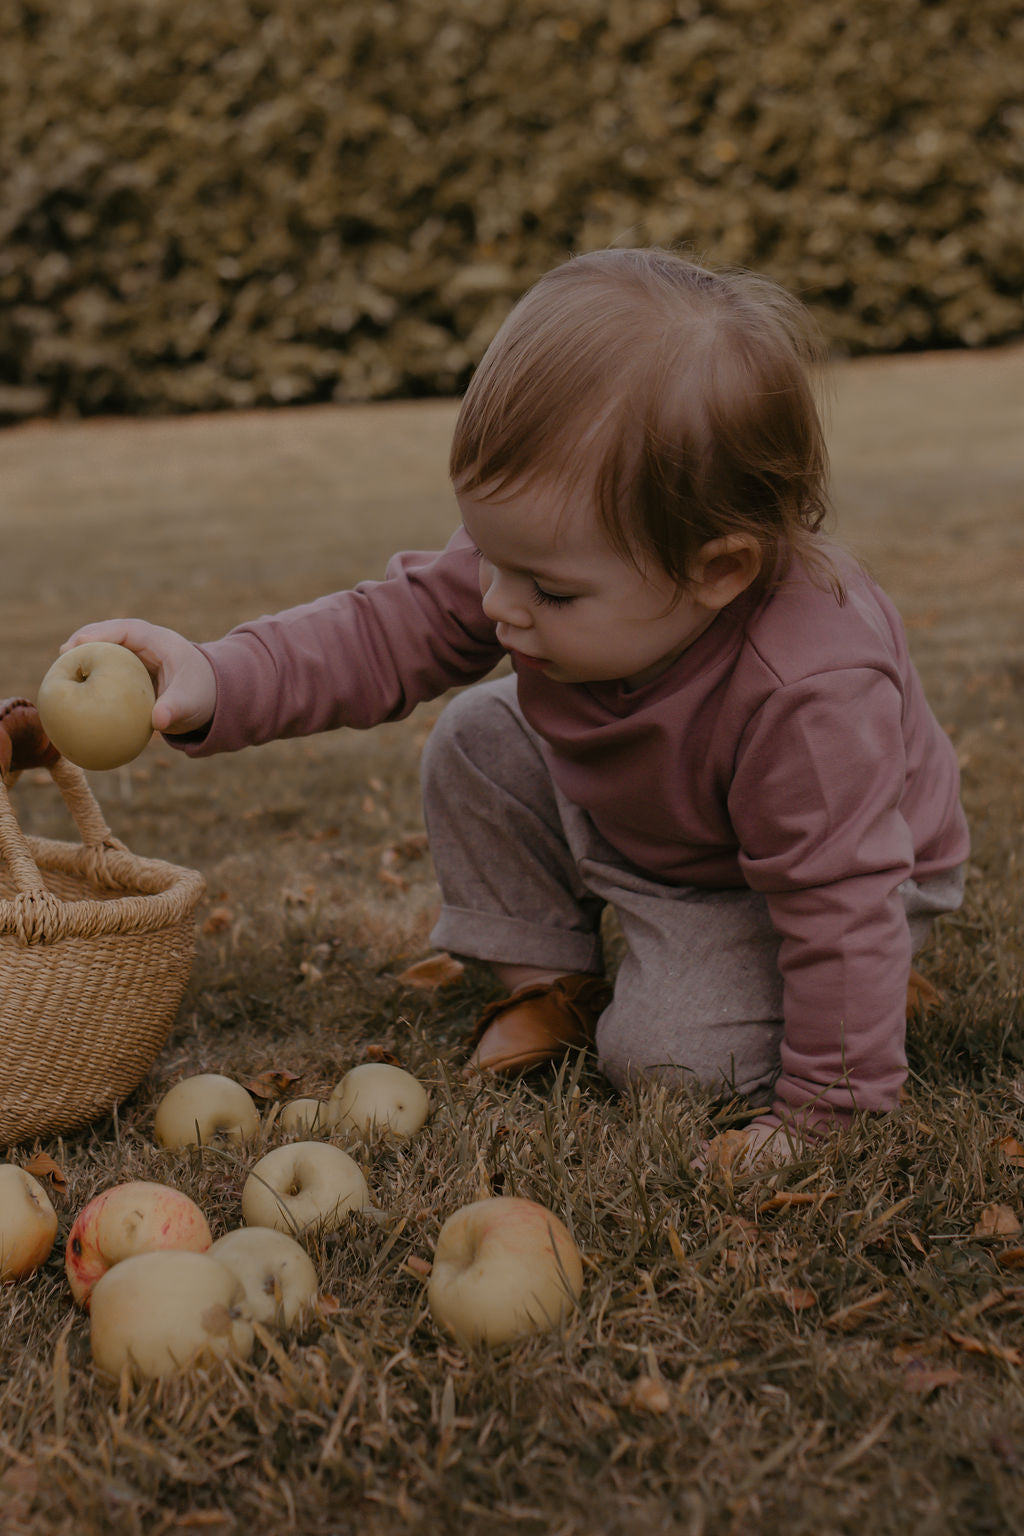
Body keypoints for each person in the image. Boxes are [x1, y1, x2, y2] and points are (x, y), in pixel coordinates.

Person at [61, 247, 969, 1169]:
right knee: (478, 737)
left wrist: (824, 1110)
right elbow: (387, 629)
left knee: (671, 1061)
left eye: (548, 591)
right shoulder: (544, 557)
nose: (496, 600)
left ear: (718, 570)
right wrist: (217, 677)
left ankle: (853, 1001)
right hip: (654, 808)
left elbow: (836, 901)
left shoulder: (807, 691)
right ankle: (552, 986)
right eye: (488, 557)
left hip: (799, 878)